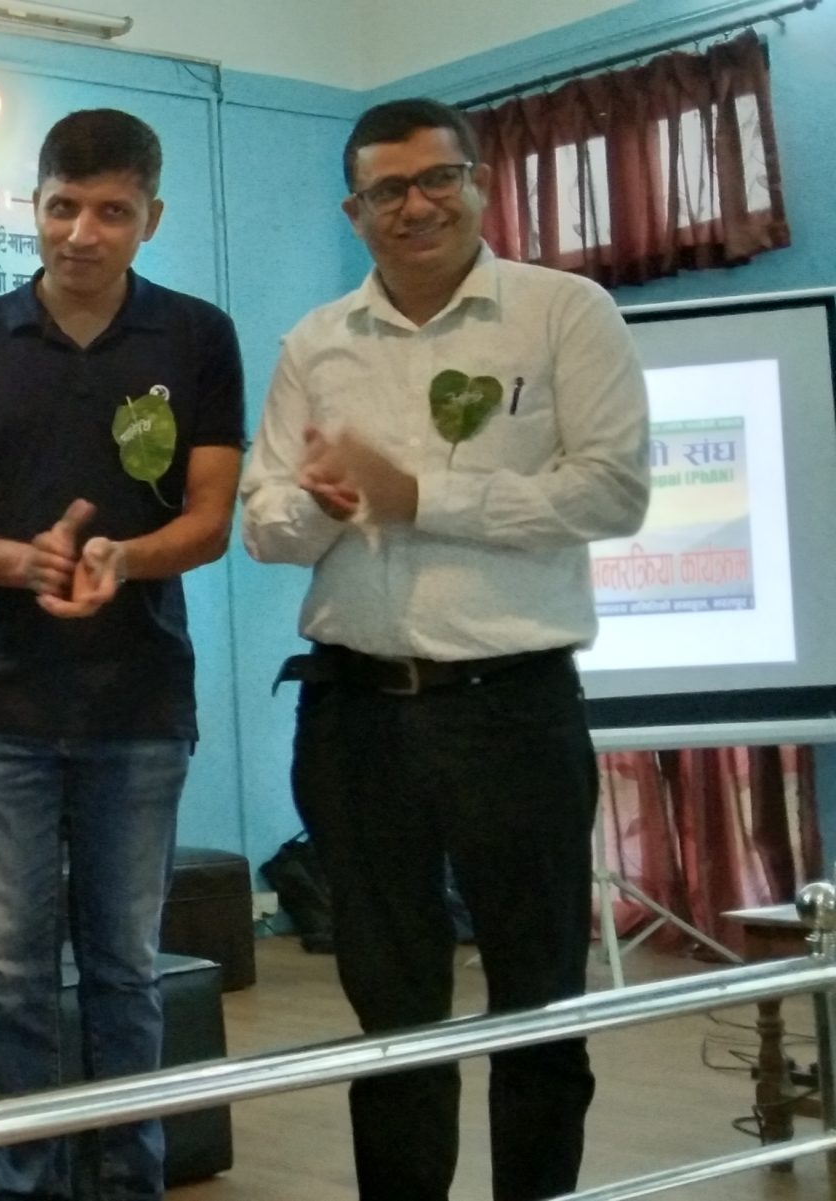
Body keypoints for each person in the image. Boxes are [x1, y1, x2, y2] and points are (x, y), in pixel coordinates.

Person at [240, 97, 651, 1201]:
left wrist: (415, 494)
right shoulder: (315, 342)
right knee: (391, 1015)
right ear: (354, 211)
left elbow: (611, 491)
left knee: (539, 1002)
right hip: (355, 713)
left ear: (480, 184)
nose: (414, 205)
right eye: (387, 189)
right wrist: (325, 504)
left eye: (437, 179)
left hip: (513, 708)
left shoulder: (564, 312)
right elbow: (265, 525)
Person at [0, 108, 245, 1201]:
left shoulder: (196, 336)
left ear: (151, 217)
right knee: (10, 977)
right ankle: (27, 1188)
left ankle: (127, 1184)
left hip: (139, 707)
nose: (81, 233)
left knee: (124, 973)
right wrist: (23, 562)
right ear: (34, 205)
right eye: (62, 206)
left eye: (111, 211)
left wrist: (122, 557)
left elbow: (210, 518)